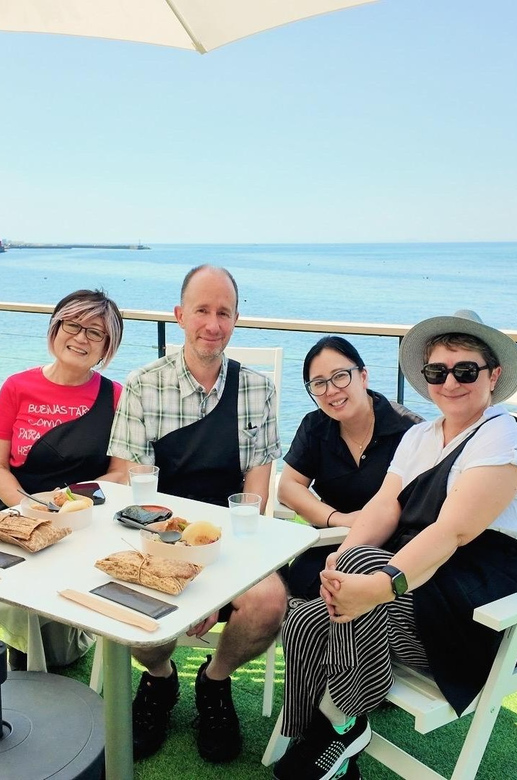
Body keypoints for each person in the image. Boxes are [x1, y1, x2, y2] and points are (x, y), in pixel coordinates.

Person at [274, 310, 517, 780]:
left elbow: (454, 531)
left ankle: (342, 722)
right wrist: (341, 560)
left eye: (465, 370)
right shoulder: (420, 436)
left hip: (473, 611)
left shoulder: (503, 435)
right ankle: (324, 733)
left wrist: (378, 583)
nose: (450, 382)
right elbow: (385, 506)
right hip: (420, 588)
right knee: (305, 612)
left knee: (362, 562)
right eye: (437, 371)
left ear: (494, 375)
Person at [106, 264, 285, 763]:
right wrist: (186, 570)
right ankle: (160, 680)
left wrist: (216, 577)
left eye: (223, 312)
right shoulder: (143, 385)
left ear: (235, 319)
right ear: (180, 315)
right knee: (127, 600)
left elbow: (256, 495)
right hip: (155, 536)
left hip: (232, 541)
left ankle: (215, 680)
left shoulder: (258, 390)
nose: (213, 323)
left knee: (269, 602)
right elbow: (136, 496)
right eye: (202, 310)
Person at [0, 288, 124, 668]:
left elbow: (121, 472)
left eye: (95, 332)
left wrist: (70, 506)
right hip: (17, 515)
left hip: (83, 521)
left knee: (57, 654)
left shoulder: (116, 395)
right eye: (72, 325)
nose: (80, 337)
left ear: (107, 348)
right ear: (55, 329)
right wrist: (29, 509)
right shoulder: (16, 387)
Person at [278, 336, 422, 601]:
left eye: (340, 376)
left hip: (390, 551)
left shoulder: (408, 430)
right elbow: (288, 487)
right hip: (329, 541)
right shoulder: (316, 426)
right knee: (295, 589)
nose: (331, 390)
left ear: (363, 376)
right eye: (319, 383)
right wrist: (338, 518)